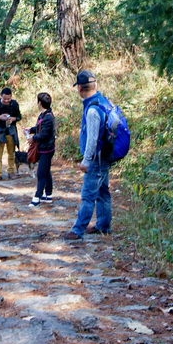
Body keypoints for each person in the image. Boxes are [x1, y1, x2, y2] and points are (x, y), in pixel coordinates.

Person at [65, 70, 113, 240]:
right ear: (95, 85)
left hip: (96, 159)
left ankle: (78, 230)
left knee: (88, 196)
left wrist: (86, 161)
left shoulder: (92, 109)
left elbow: (92, 139)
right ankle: (103, 225)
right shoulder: (104, 101)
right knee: (103, 192)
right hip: (105, 156)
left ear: (79, 88)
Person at [27, 92, 56, 207]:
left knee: (41, 173)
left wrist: (33, 138)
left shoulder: (48, 117)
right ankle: (48, 195)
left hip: (47, 149)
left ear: (39, 103)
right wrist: (31, 130)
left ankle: (37, 197)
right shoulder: (43, 115)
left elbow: (44, 134)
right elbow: (39, 128)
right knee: (46, 171)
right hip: (43, 148)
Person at [0, 87, 22, 179]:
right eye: (4, 99)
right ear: (1, 96)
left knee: (11, 153)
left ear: (11, 97)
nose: (6, 101)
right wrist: (0, 117)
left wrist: (13, 119)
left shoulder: (14, 104)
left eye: (8, 99)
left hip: (11, 130)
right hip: (0, 130)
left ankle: (11, 172)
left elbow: (19, 117)